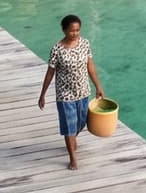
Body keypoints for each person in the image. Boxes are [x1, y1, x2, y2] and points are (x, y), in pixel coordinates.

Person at [36, 13, 103, 169]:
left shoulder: (85, 44)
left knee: (81, 123)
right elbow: (50, 72)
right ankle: (73, 158)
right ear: (64, 30)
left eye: (78, 30)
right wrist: (42, 94)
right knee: (69, 126)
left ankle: (72, 138)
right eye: (72, 31)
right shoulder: (57, 49)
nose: (75, 34)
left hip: (83, 92)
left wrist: (98, 86)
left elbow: (90, 66)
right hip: (65, 95)